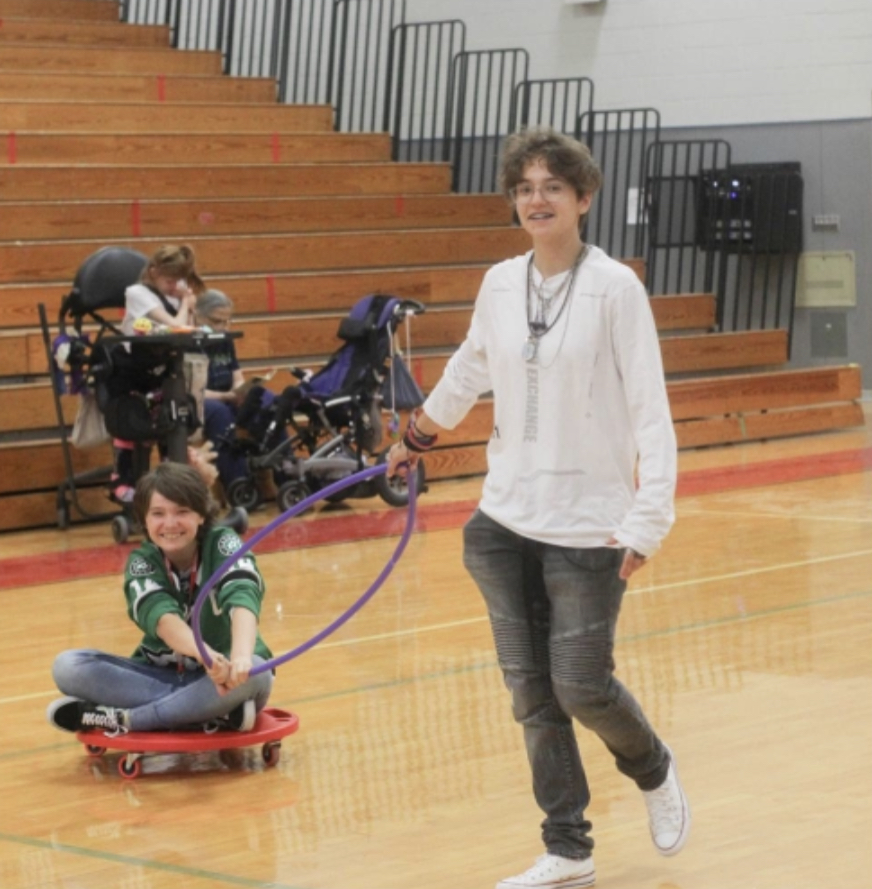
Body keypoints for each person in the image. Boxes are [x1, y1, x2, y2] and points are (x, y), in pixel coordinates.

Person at [387, 126, 689, 889]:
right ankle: (569, 848)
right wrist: (417, 433)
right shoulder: (499, 282)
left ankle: (652, 765)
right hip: (502, 521)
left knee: (581, 684)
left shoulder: (616, 287)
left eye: (552, 186)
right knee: (531, 693)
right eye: (524, 187)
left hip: (591, 525)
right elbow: (469, 366)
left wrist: (651, 516)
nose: (536, 198)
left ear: (583, 198)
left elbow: (651, 411)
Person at [47, 461, 273, 736]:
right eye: (158, 513)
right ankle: (207, 712)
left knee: (259, 671)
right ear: (144, 519)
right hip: (163, 677)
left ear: (202, 514)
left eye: (182, 512)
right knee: (69, 666)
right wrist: (205, 655)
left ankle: (129, 719)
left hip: (227, 677)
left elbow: (243, 599)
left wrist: (239, 658)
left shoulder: (224, 543)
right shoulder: (141, 562)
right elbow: (164, 620)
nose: (170, 523)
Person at [111, 245, 206, 503]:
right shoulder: (137, 293)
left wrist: (189, 305)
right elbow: (176, 326)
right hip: (132, 371)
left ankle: (173, 484)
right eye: (169, 280)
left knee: (173, 420)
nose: (174, 286)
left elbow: (190, 331)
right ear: (153, 272)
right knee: (133, 425)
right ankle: (122, 481)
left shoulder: (177, 296)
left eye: (179, 281)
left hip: (162, 369)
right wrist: (186, 302)